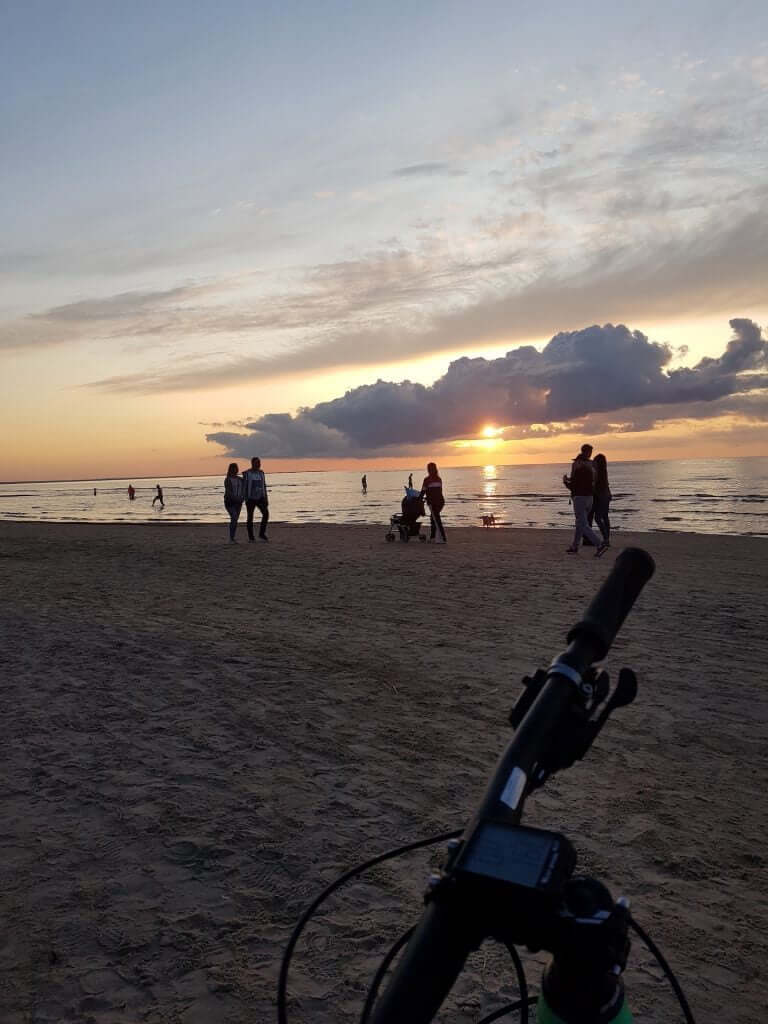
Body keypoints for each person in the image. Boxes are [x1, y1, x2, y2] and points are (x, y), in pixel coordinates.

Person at [562, 445, 606, 556]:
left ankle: (599, 544)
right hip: (590, 497)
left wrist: (565, 481)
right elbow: (594, 481)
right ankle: (574, 546)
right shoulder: (592, 465)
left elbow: (573, 482)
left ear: (582, 451)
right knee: (580, 523)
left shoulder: (576, 464)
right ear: (589, 452)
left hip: (579, 497)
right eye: (590, 452)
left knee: (582, 524)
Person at [242, 457, 269, 542]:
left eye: (259, 463)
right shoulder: (247, 473)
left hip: (260, 497)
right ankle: (251, 537)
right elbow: (244, 486)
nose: (258, 464)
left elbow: (264, 485)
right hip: (250, 498)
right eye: (257, 462)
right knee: (250, 517)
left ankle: (261, 534)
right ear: (252, 463)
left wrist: (266, 497)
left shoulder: (261, 473)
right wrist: (245, 497)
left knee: (266, 514)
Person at [421, 462, 447, 543]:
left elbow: (423, 492)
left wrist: (419, 498)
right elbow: (438, 491)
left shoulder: (427, 480)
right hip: (440, 501)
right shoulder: (439, 479)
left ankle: (442, 538)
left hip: (434, 502)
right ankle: (433, 537)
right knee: (433, 518)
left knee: (436, 519)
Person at [593, 453, 612, 547]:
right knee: (605, 517)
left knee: (598, 518)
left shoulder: (598, 472)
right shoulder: (604, 471)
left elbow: (595, 485)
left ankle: (606, 538)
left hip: (601, 496)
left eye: (595, 461)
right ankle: (607, 539)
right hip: (606, 495)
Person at [224, 463, 245, 542]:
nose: (235, 470)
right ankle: (231, 538)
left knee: (235, 520)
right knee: (234, 517)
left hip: (239, 502)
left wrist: (242, 497)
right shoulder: (228, 479)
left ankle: (232, 537)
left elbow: (245, 487)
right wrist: (236, 498)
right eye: (233, 468)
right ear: (230, 469)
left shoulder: (240, 479)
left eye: (236, 468)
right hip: (230, 502)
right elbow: (228, 491)